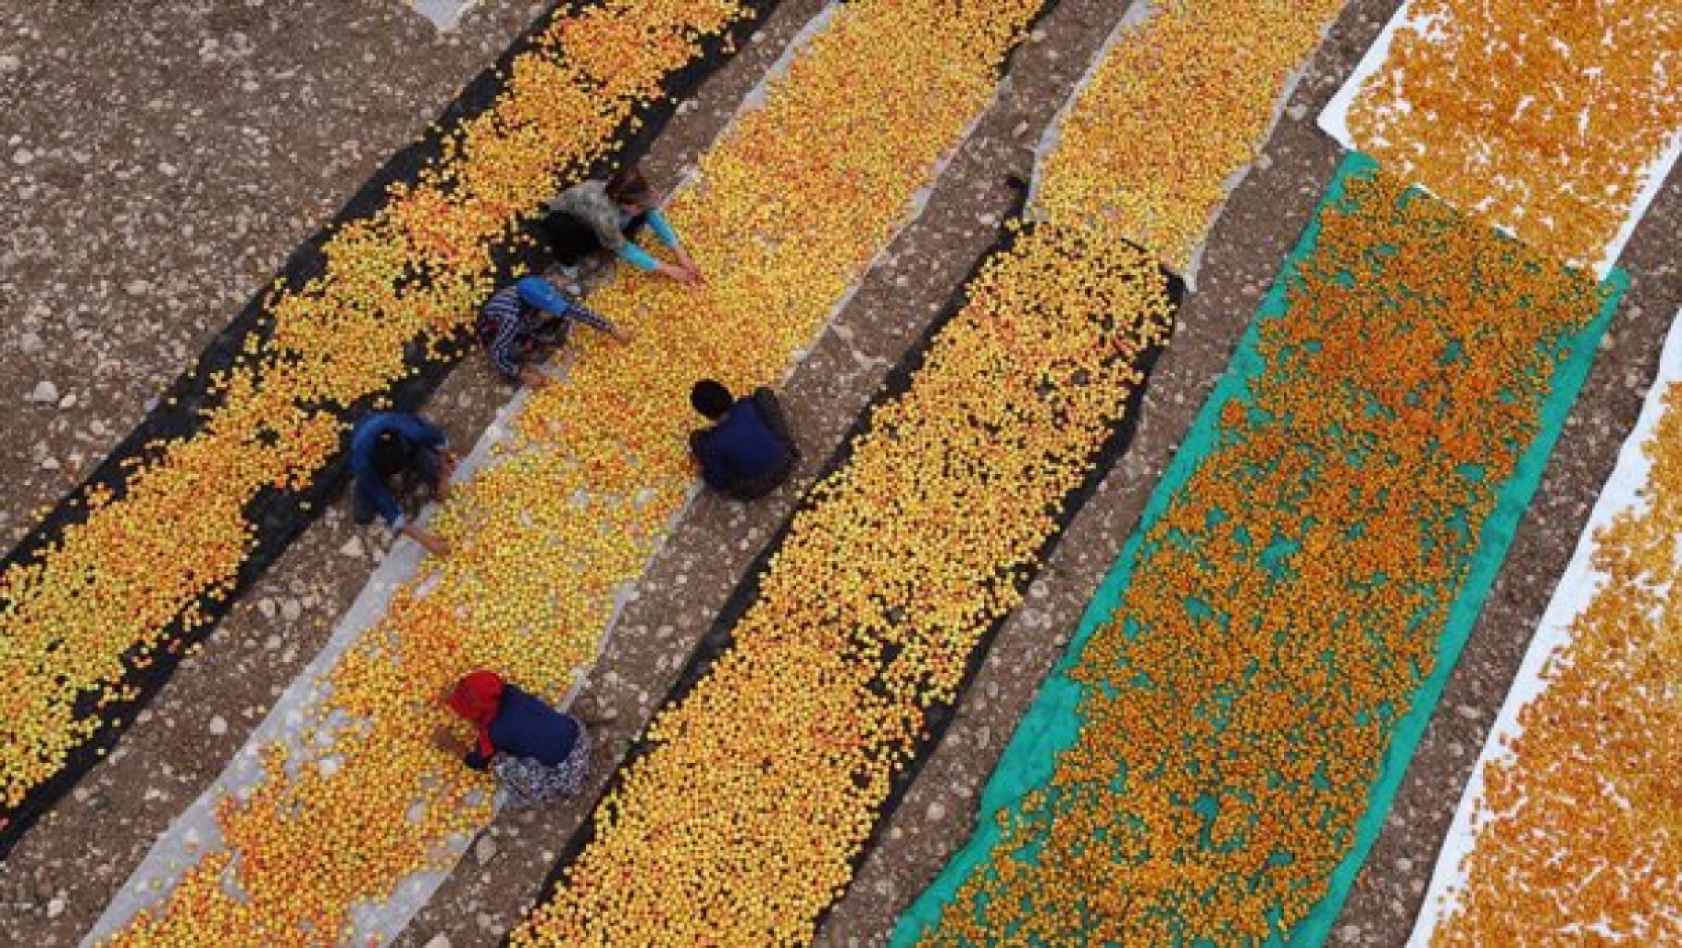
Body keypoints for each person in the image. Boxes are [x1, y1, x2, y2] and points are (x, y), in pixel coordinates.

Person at [435, 670, 592, 807]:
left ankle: (543, 792)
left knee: (500, 764)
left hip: (566, 774)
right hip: (580, 740)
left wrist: (452, 744)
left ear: (476, 714)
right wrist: (456, 696)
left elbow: (477, 762)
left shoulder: (495, 732)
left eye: (464, 714)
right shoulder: (511, 691)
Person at [540, 163, 701, 285]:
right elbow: (624, 248)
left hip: (607, 218)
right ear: (620, 200)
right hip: (574, 221)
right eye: (638, 206)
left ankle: (608, 240)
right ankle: (568, 268)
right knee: (563, 231)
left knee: (637, 218)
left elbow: (652, 215)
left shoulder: (633, 194)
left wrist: (680, 253)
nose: (643, 207)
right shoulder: (604, 215)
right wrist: (669, 270)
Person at [477, 274, 629, 390]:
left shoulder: (540, 287)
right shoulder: (510, 320)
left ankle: (535, 329)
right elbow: (497, 353)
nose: (554, 311)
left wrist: (611, 328)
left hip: (527, 318)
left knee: (559, 319)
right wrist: (522, 373)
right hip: (496, 331)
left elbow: (574, 310)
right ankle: (526, 343)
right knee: (516, 351)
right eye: (548, 310)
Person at [349, 411, 455, 557]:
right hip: (376, 468)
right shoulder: (362, 464)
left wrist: (444, 477)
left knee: (431, 466)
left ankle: (419, 469)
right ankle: (380, 479)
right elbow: (388, 508)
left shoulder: (409, 428)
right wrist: (427, 541)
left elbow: (439, 439)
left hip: (409, 450)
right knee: (363, 513)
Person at [688, 380, 800, 500]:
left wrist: (703, 468)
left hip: (755, 487)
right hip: (785, 461)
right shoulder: (747, 404)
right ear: (727, 393)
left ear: (705, 414)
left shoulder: (712, 444)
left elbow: (718, 484)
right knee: (763, 393)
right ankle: (787, 445)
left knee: (696, 439)